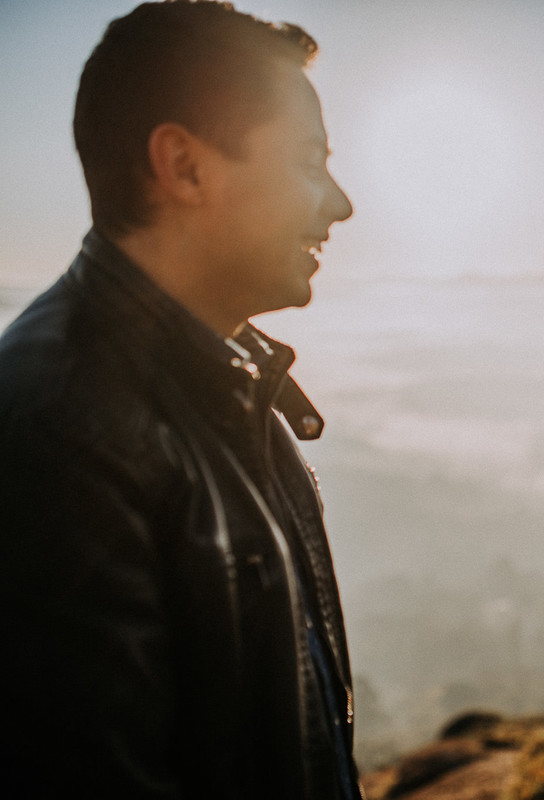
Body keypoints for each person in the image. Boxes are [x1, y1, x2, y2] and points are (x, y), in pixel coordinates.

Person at [0, 2, 359, 797]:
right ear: (185, 167)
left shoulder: (231, 381)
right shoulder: (58, 431)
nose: (340, 204)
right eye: (308, 161)